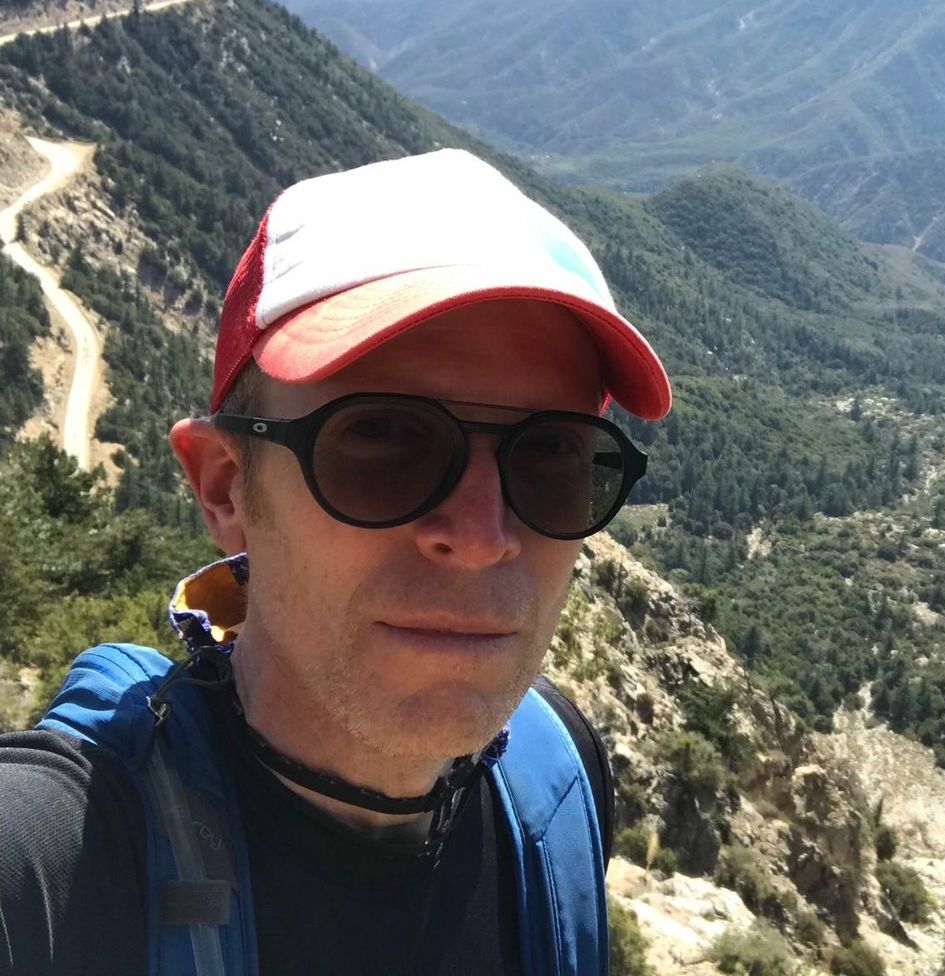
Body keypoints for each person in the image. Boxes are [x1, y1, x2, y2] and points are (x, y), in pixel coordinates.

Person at [0, 148, 671, 975]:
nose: (481, 534)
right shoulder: (55, 866)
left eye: (551, 453)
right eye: (383, 437)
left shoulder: (562, 773)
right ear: (226, 488)